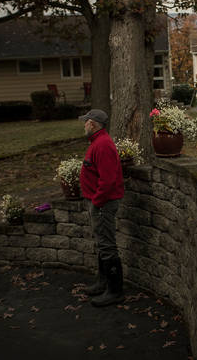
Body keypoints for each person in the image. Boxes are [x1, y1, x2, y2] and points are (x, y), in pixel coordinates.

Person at [78, 109, 125, 307]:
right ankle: (103, 282)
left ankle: (115, 291)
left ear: (93, 124)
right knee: (102, 242)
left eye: (86, 122)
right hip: (98, 202)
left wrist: (97, 203)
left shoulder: (103, 145)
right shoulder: (97, 142)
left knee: (107, 245)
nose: (84, 125)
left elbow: (107, 180)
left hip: (103, 204)